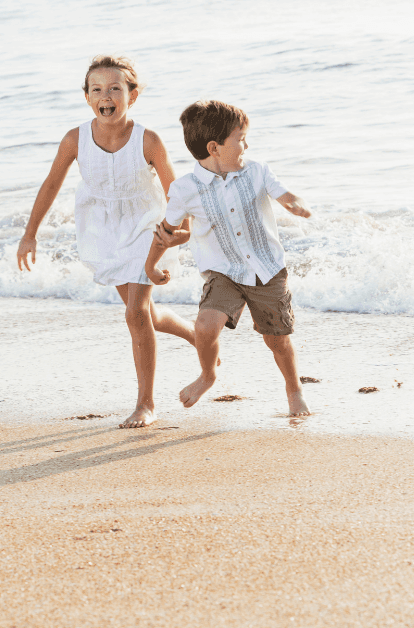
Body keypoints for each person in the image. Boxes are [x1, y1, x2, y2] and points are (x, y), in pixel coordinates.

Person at [16, 55, 194, 429]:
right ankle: (193, 333)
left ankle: (146, 403)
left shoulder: (148, 140)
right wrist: (30, 234)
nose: (106, 95)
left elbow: (175, 192)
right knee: (143, 314)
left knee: (134, 313)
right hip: (102, 230)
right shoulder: (75, 139)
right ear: (87, 97)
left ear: (133, 95)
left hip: (146, 226)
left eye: (115, 88)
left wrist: (181, 230)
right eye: (97, 89)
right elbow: (51, 184)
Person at [145, 100, 312, 417]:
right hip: (223, 273)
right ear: (214, 147)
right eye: (240, 138)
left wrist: (296, 203)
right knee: (205, 326)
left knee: (276, 340)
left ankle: (294, 388)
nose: (246, 145)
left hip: (266, 269)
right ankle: (208, 375)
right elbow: (167, 231)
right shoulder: (184, 189)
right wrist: (150, 265)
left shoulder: (257, 171)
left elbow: (285, 194)